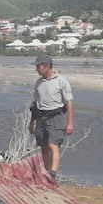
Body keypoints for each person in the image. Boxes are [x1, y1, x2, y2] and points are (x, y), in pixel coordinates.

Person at [27, 54, 74, 182]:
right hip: (41, 117)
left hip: (56, 117)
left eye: (39, 66)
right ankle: (47, 173)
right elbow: (35, 104)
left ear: (47, 67)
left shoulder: (61, 81)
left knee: (53, 145)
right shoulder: (39, 82)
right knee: (43, 147)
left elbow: (69, 102)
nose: (37, 69)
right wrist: (32, 123)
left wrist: (70, 123)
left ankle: (53, 174)